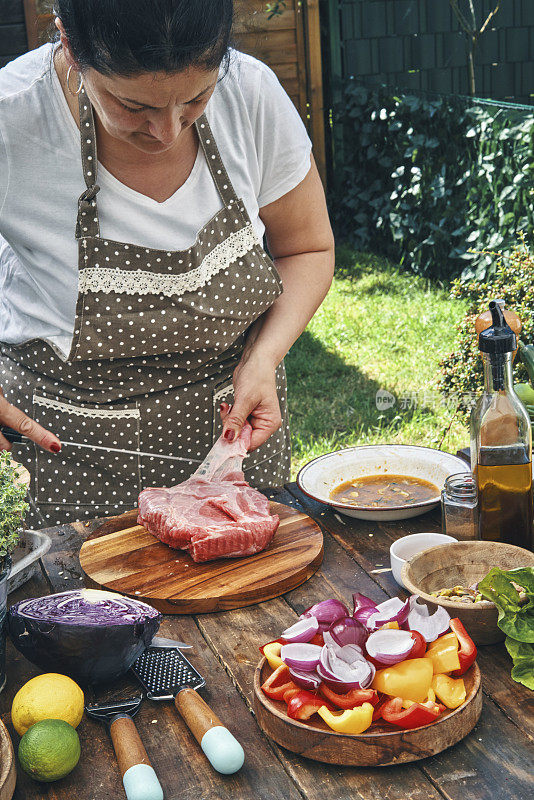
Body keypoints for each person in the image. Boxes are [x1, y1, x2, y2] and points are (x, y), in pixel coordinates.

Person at [0, 0, 334, 527]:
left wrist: (263, 358)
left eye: (197, 97)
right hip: (70, 451)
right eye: (133, 106)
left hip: (233, 437)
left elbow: (307, 249)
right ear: (68, 41)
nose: (168, 131)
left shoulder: (251, 92)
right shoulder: (12, 116)